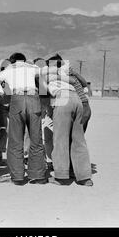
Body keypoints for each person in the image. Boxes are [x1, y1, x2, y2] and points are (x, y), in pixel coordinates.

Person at [0, 52, 46, 185]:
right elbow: (44, 73)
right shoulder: (33, 68)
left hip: (17, 99)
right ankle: (38, 175)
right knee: (36, 139)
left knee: (15, 140)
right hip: (33, 98)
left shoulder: (9, 69)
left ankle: (17, 177)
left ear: (12, 61)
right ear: (24, 60)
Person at [41, 58, 93, 186]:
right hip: (79, 100)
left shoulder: (47, 75)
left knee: (60, 140)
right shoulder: (69, 75)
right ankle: (84, 177)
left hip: (63, 99)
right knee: (79, 140)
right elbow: (83, 86)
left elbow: (45, 98)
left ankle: (61, 176)